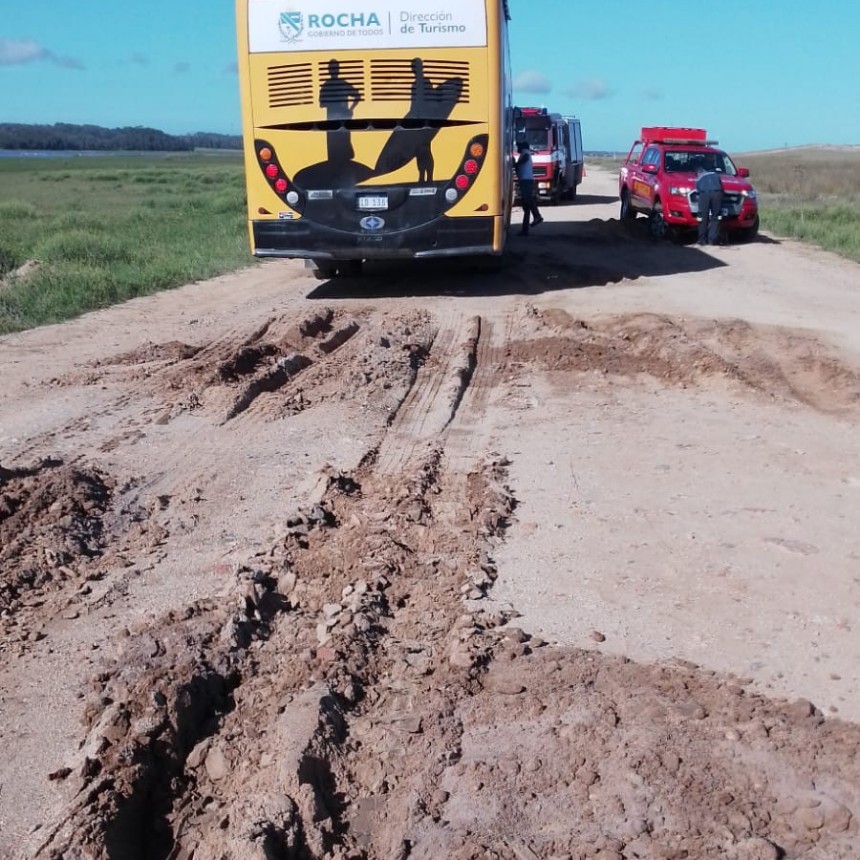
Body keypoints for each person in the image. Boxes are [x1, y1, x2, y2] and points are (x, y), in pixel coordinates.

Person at [515, 142, 543, 236]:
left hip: (526, 180)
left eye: (518, 146)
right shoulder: (524, 153)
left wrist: (516, 164)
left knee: (528, 199)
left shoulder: (525, 153)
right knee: (526, 207)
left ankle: (537, 216)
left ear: (522, 147)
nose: (517, 148)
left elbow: (524, 160)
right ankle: (525, 230)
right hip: (525, 180)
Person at [695, 165, 724, 245]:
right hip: (717, 194)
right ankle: (713, 240)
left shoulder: (699, 178)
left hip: (704, 195)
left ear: (698, 172)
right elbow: (721, 187)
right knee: (716, 217)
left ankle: (702, 240)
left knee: (702, 217)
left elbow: (697, 192)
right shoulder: (715, 174)